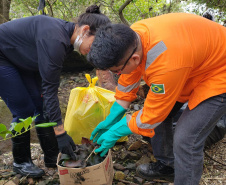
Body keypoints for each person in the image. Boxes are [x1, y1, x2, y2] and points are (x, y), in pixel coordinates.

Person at [87, 13, 226, 185]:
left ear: (135, 59)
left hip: (219, 73)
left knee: (186, 140)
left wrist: (116, 131)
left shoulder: (166, 65)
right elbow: (128, 80)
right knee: (161, 114)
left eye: (117, 71)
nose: (118, 75)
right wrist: (112, 118)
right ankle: (168, 166)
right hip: (191, 65)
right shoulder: (133, 37)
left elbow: (152, 115)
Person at [0, 5, 110, 178]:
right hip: (3, 57)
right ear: (85, 30)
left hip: (20, 59)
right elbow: (50, 89)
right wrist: (60, 133)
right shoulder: (55, 39)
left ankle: (51, 156)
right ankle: (20, 162)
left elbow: (46, 87)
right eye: (95, 44)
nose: (94, 51)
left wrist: (58, 133)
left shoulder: (66, 40)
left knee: (41, 105)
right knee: (23, 110)